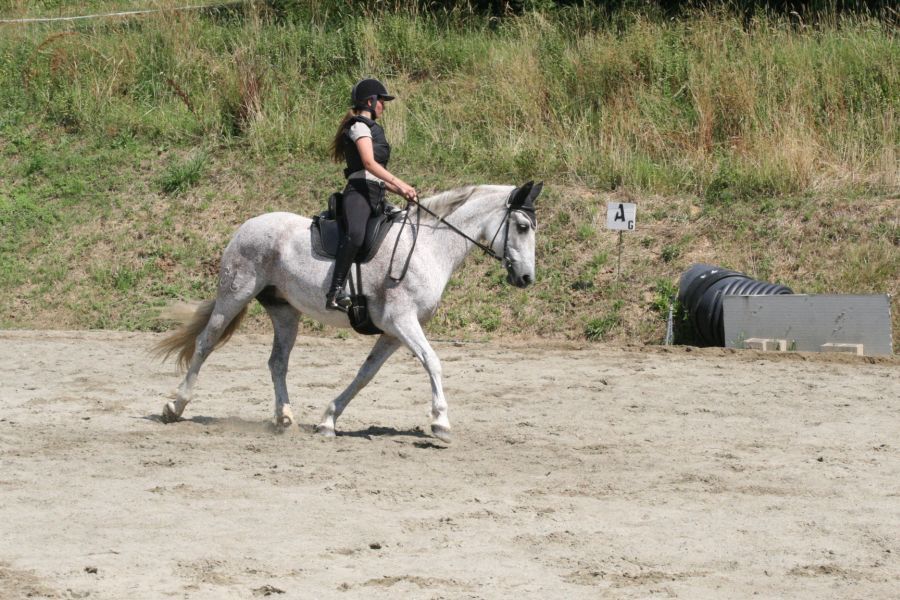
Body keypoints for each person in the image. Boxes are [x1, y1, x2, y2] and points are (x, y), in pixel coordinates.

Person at [325, 78, 418, 311]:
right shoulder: (359, 127)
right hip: (358, 194)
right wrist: (402, 183)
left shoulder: (373, 129)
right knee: (355, 234)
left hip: (375, 192)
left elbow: (377, 177)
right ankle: (335, 291)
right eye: (382, 102)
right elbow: (368, 163)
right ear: (370, 101)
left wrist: (401, 191)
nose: (383, 107)